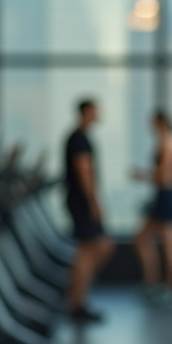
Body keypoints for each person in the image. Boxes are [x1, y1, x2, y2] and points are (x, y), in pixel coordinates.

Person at [65, 99, 116, 322]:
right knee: (90, 249)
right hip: (82, 201)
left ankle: (77, 293)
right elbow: (84, 173)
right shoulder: (79, 139)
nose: (98, 114)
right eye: (95, 111)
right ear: (85, 112)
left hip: (80, 200)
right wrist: (95, 203)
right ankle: (77, 302)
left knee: (99, 247)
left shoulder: (80, 136)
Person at [132, 110, 172, 307]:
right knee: (141, 239)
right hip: (163, 195)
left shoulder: (168, 143)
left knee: (170, 244)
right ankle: (153, 284)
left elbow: (163, 175)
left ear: (161, 122)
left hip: (167, 195)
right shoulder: (165, 141)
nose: (150, 127)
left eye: (153, 123)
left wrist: (141, 176)